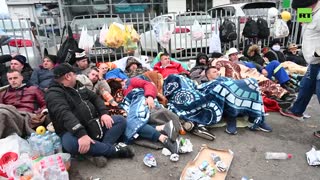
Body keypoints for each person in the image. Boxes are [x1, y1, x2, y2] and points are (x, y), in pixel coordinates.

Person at [45, 63, 134, 168]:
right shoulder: (53, 94)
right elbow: (64, 114)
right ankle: (113, 151)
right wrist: (81, 134)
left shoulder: (78, 85)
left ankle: (99, 151)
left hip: (92, 124)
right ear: (68, 76)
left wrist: (104, 114)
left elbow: (95, 98)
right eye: (74, 74)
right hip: (72, 131)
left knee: (120, 120)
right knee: (70, 144)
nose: (76, 76)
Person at [280, 0, 320, 138]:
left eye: (299, 10)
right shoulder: (308, 13)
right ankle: (297, 110)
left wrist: (316, 54)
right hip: (313, 62)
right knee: (306, 85)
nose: (297, 14)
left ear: (309, 5)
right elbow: (307, 33)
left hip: (319, 60)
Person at [205, 66, 272, 134]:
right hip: (227, 104)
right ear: (208, 75)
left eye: (217, 71)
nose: (217, 73)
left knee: (253, 82)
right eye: (214, 72)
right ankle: (231, 119)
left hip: (238, 98)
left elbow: (234, 82)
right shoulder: (207, 85)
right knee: (225, 88)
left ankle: (255, 117)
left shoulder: (224, 79)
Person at [0, 70, 47, 138]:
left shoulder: (33, 89)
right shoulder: (3, 94)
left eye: (15, 78)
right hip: (10, 115)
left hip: (27, 116)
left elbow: (45, 104)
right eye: (10, 79)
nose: (13, 80)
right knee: (2, 112)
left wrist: (38, 113)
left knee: (2, 112)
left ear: (21, 78)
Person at [228, 47, 294, 93]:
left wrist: (262, 69)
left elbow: (254, 64)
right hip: (255, 79)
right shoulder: (229, 66)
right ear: (229, 57)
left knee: (275, 63)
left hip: (261, 74)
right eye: (233, 55)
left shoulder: (243, 61)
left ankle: (285, 83)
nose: (235, 56)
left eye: (236, 54)